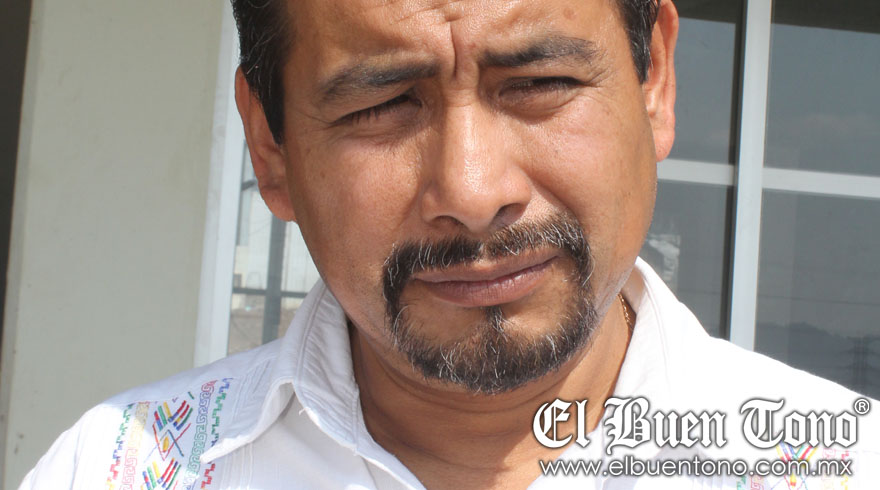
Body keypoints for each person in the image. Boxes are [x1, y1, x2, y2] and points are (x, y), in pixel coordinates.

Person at [20, 0, 880, 488]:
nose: (471, 192)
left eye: (539, 82)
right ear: (270, 144)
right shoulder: (117, 471)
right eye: (381, 105)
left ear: (654, 80)